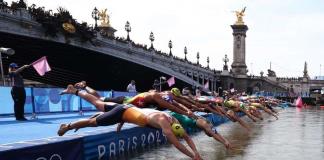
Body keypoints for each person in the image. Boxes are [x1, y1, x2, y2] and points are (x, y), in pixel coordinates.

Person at [58, 86, 202, 160]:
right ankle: (67, 126)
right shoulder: (164, 123)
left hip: (128, 108)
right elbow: (177, 143)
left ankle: (75, 91)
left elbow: (186, 137)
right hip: (122, 112)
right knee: (92, 122)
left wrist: (196, 152)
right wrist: (192, 156)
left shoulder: (171, 118)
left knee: (97, 102)